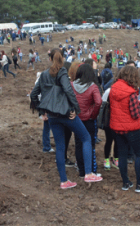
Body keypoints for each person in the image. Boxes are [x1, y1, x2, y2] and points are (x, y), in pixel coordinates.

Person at [30, 48, 101, 189]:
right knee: (86, 138)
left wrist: (41, 109)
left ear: (50, 59)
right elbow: (68, 90)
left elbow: (33, 94)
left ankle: (64, 181)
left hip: (52, 116)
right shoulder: (62, 72)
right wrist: (76, 109)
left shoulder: (43, 74)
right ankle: (88, 173)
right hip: (66, 113)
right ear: (62, 58)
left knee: (60, 147)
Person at [109, 66, 140, 192]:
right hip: (131, 128)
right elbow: (135, 114)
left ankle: (126, 182)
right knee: (139, 154)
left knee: (122, 155)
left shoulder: (114, 88)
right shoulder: (131, 92)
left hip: (117, 127)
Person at [71, 64, 103, 178]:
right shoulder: (93, 86)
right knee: (90, 145)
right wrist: (93, 114)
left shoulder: (72, 85)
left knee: (79, 144)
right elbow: (99, 102)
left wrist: (73, 110)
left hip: (76, 119)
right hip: (89, 120)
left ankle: (81, 171)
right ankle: (92, 171)